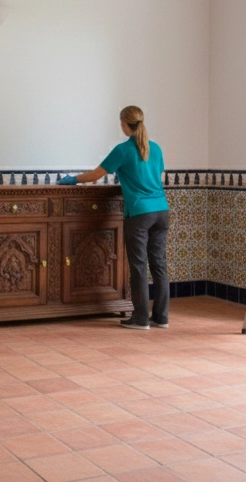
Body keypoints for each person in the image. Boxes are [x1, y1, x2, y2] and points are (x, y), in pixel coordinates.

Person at [59, 106, 169, 330]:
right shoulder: (155, 148)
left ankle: (140, 318)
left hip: (140, 213)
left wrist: (72, 180)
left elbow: (96, 174)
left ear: (124, 124)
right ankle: (161, 317)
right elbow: (157, 177)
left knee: (138, 265)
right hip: (162, 212)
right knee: (159, 264)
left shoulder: (124, 150)